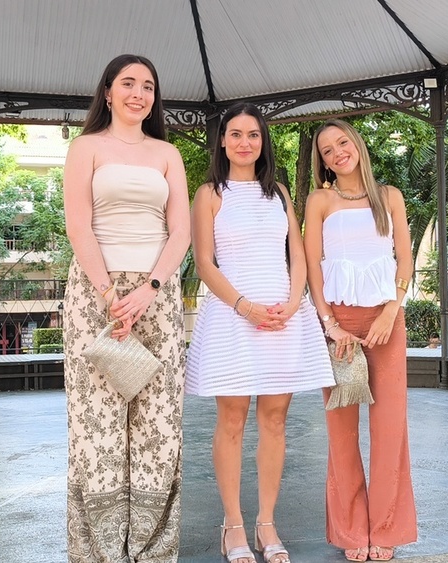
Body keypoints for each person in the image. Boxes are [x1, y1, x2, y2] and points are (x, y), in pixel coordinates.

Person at [186, 102, 333, 563]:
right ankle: (232, 524)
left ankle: (266, 522)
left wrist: (292, 304)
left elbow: (298, 256)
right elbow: (205, 263)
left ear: (263, 141)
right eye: (235, 134)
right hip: (234, 316)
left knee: (275, 421)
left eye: (253, 134)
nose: (244, 142)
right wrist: (245, 307)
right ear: (223, 141)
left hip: (283, 317)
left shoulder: (282, 194)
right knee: (231, 422)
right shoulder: (209, 193)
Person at [62, 53, 191, 563]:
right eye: (128, 83)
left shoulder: (167, 154)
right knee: (97, 421)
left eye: (149, 86)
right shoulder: (86, 147)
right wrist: (108, 293)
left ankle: (153, 550)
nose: (139, 93)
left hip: (156, 297)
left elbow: (179, 229)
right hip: (96, 294)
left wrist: (152, 288)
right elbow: (78, 224)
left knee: (159, 422)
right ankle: (100, 552)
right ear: (109, 92)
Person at [304, 119, 418, 561]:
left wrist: (393, 309)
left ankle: (385, 528)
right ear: (323, 162)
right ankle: (352, 531)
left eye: (342, 142)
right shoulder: (319, 200)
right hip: (339, 325)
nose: (337, 153)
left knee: (390, 430)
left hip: (386, 320)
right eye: (327, 150)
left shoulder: (389, 197)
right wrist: (329, 324)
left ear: (357, 144)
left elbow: (404, 258)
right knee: (342, 432)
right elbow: (313, 266)